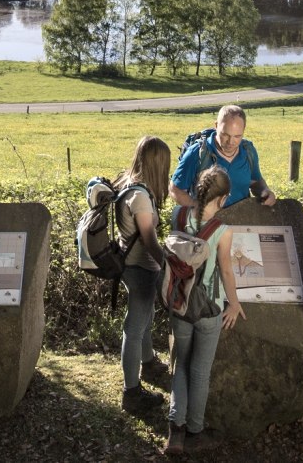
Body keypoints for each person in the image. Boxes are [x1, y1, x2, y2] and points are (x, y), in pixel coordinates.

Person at [163, 165, 246, 455]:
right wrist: (234, 304)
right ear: (222, 198)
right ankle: (195, 433)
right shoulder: (222, 230)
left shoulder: (178, 215)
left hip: (180, 303)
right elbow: (225, 270)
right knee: (200, 372)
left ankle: (175, 432)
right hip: (209, 308)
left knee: (180, 366)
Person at [114, 135, 172, 413]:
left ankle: (148, 362)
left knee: (145, 317)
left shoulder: (127, 183)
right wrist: (171, 268)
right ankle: (132, 392)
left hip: (130, 265)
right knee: (134, 329)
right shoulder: (140, 197)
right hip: (139, 268)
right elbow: (149, 241)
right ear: (158, 164)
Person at [169, 105, 277, 213]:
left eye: (237, 136)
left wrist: (265, 191)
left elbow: (255, 182)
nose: (230, 142)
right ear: (216, 126)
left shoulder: (248, 151)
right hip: (207, 225)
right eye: (225, 135)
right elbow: (175, 190)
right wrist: (199, 208)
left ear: (244, 130)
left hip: (242, 221)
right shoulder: (197, 153)